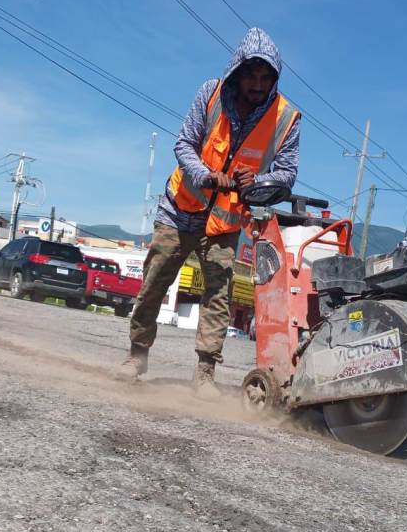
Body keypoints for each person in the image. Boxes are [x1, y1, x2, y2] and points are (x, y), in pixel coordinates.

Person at [119, 28, 301, 398]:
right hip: (180, 209)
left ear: (275, 78)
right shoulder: (210, 94)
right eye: (251, 75)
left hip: (225, 222)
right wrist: (203, 174)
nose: (257, 84)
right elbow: (184, 143)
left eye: (265, 77)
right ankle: (136, 355)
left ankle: (204, 373)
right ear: (237, 72)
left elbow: (287, 175)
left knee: (218, 295)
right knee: (154, 283)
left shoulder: (286, 118)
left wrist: (259, 180)